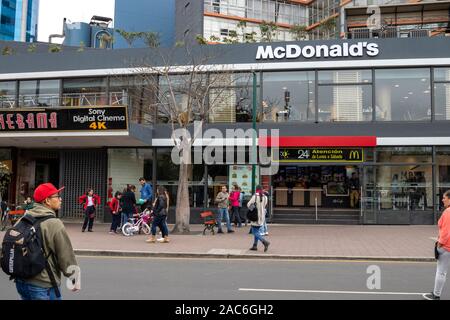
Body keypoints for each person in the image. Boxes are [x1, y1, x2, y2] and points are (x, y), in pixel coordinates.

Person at [15, 182, 79, 300]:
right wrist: (74, 278)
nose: (61, 199)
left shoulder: (23, 219)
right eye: (57, 196)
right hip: (43, 285)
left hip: (21, 282)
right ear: (47, 201)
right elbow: (65, 255)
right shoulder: (54, 223)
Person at [423, 190, 450, 300]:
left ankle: (436, 295)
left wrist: (440, 243)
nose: (442, 199)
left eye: (444, 198)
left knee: (441, 272)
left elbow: (446, 231)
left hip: (446, 247)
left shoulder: (448, 212)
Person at [247, 185, 270, 252]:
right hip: (262, 216)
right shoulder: (265, 197)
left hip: (255, 216)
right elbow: (265, 205)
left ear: (256, 189)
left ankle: (265, 242)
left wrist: (252, 208)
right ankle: (255, 245)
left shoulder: (255, 196)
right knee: (256, 230)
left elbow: (248, 204)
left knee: (254, 232)